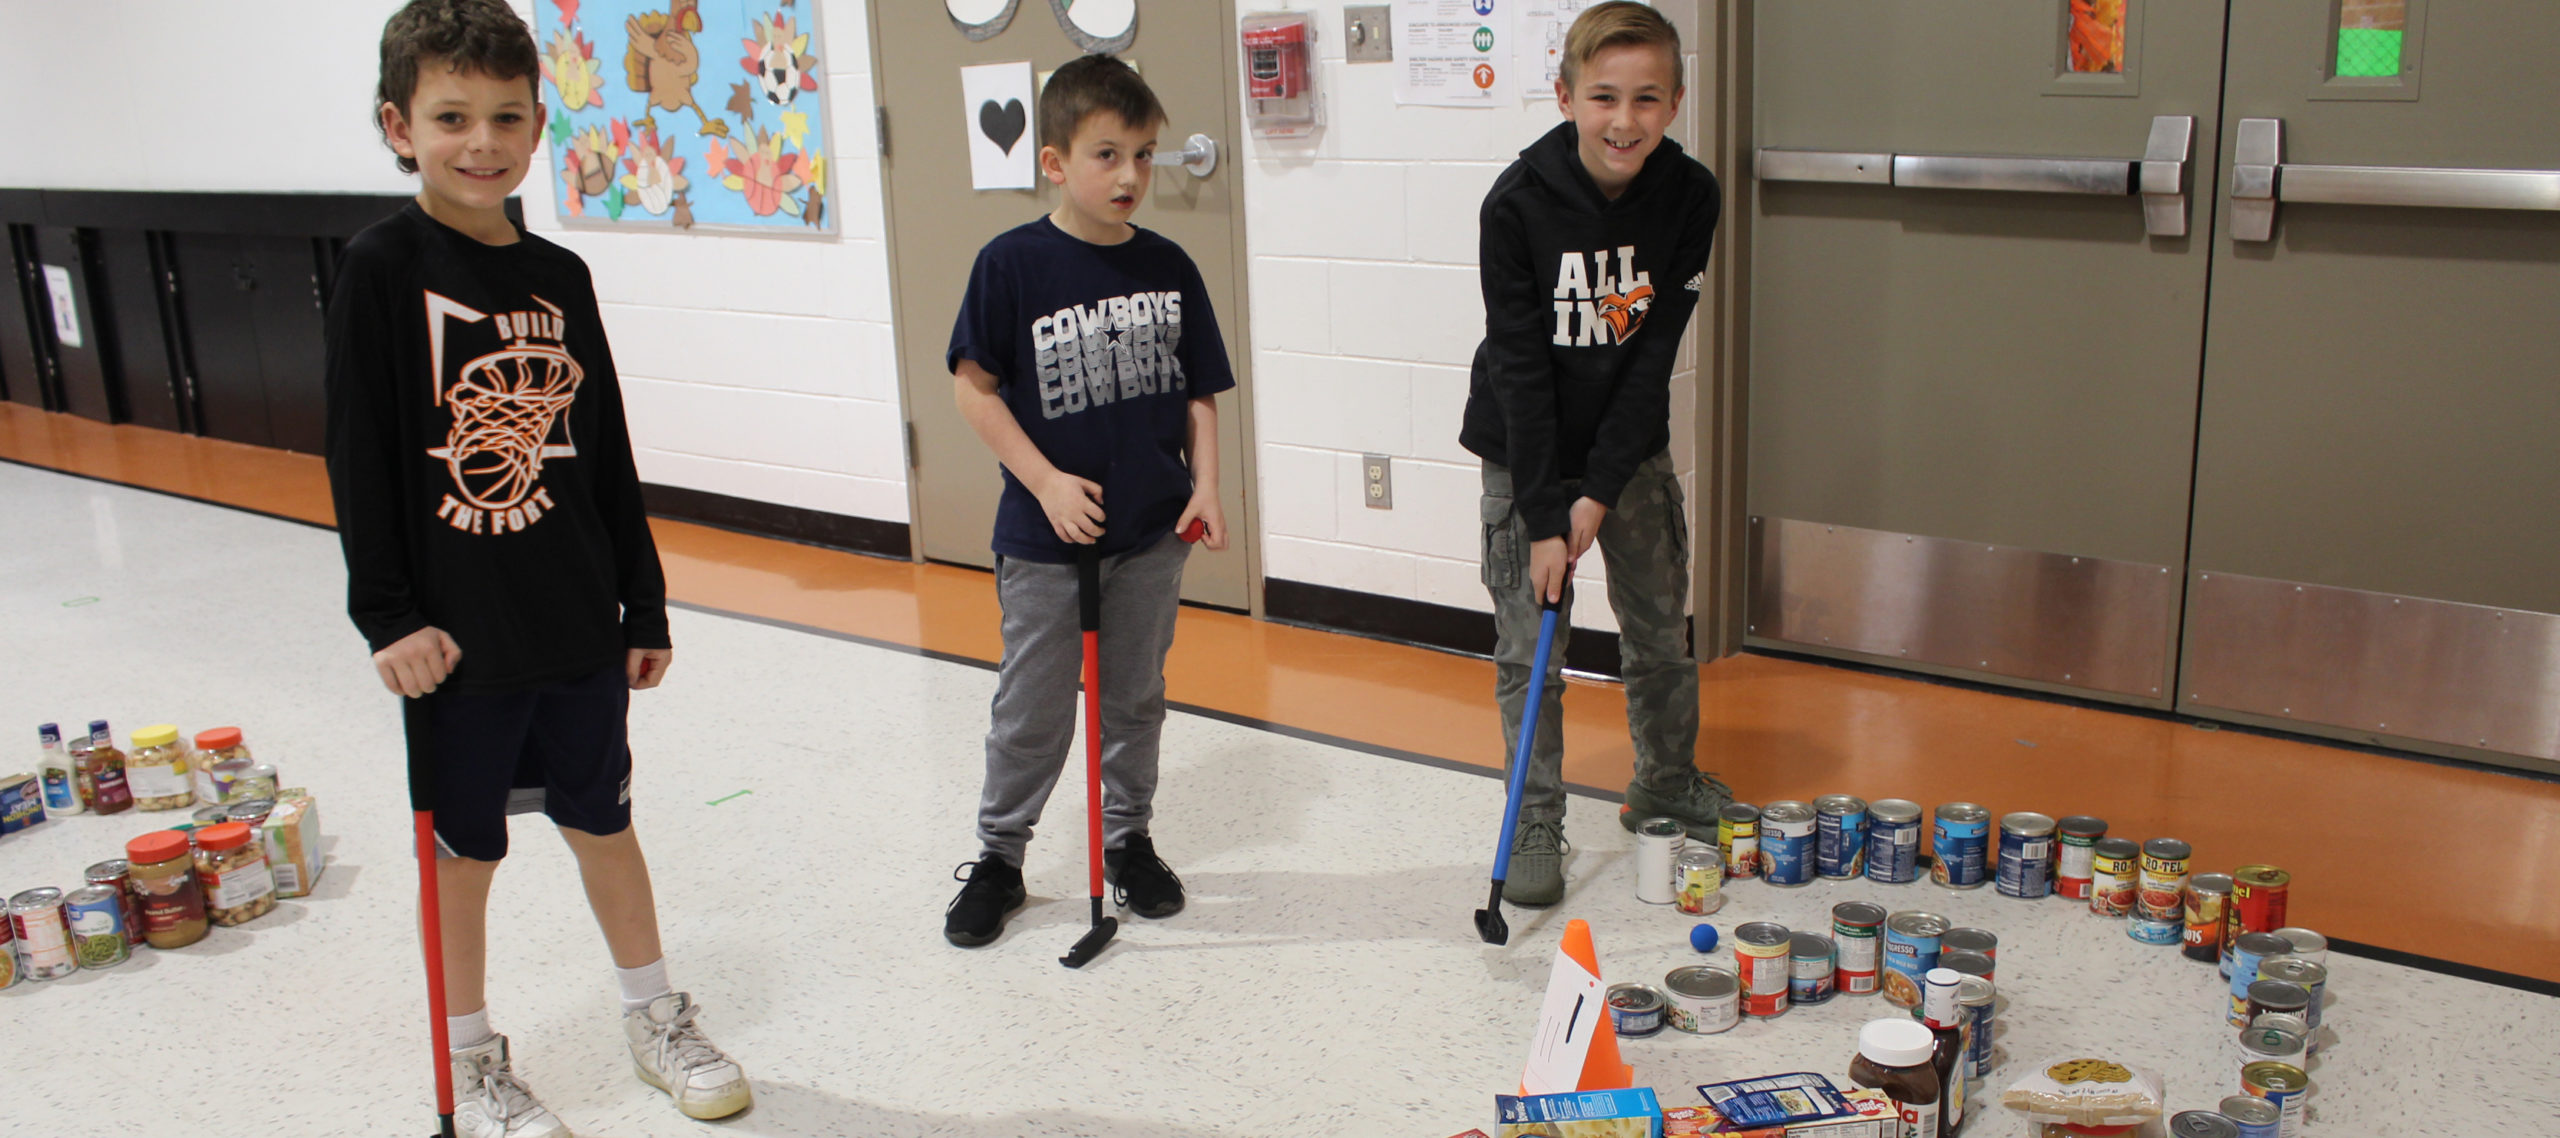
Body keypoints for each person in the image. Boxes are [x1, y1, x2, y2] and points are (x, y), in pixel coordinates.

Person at [325, 2, 748, 1132]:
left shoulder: (561, 273)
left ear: (539, 122)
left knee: (603, 821)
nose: (482, 140)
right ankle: (469, 1057)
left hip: (571, 620)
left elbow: (604, 446)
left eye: (506, 115)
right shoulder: (379, 269)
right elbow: (359, 454)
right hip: (455, 637)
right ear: (398, 126)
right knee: (465, 854)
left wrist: (642, 598)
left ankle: (655, 1014)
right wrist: (387, 620)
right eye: (451, 116)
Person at [941, 54, 1234, 948]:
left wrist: (1208, 485)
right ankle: (999, 858)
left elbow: (1199, 392)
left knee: (1133, 697)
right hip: (1044, 538)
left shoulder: (1170, 264)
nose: (1132, 176)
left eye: (1144, 155)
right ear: (1056, 162)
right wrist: (1045, 482)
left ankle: (1129, 839)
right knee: (1033, 706)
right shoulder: (1012, 265)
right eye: (1107, 155)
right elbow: (974, 388)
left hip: (1149, 534)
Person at [1458, 1, 1729, 907]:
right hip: (1524, 448)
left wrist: (1603, 489)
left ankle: (1663, 779)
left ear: (1677, 101)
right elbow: (1522, 372)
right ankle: (1535, 817)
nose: (1625, 120)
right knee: (1530, 645)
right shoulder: (1517, 204)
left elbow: (1654, 355)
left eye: (1647, 99)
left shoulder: (1692, 197)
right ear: (1566, 95)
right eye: (1604, 96)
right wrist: (1545, 515)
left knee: (1658, 627)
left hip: (1630, 445)